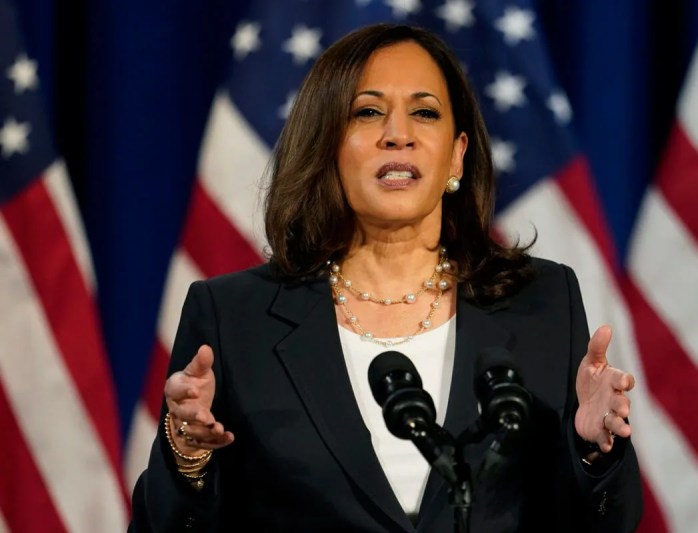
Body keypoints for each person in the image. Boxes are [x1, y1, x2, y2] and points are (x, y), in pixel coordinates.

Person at [130, 23, 642, 532]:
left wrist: (593, 453)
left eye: (424, 112)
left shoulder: (543, 304)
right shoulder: (234, 317)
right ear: (328, 146)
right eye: (368, 112)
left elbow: (606, 524)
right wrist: (187, 454)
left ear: (457, 154)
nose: (399, 134)